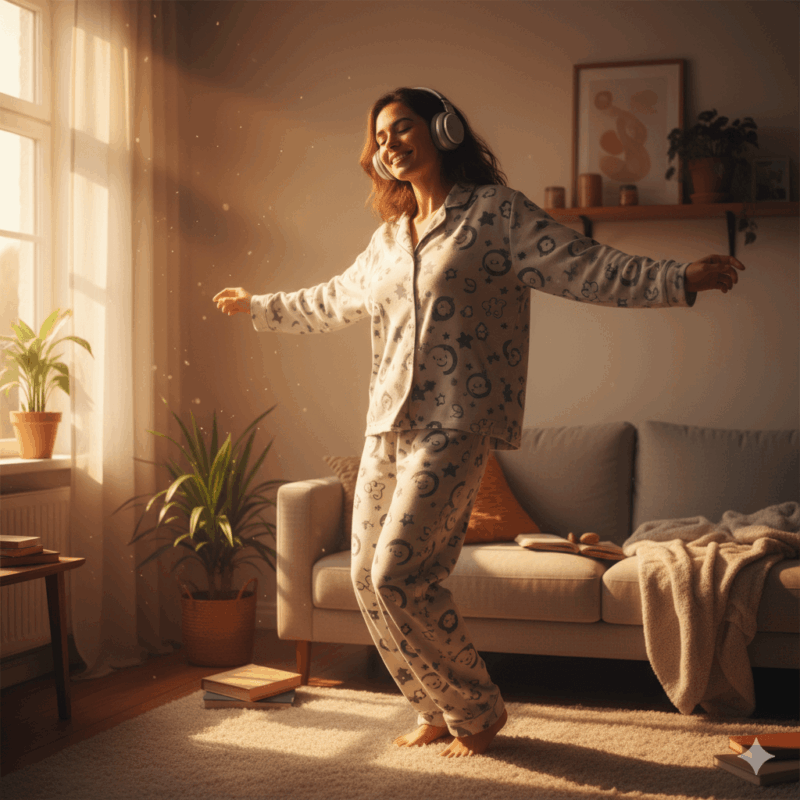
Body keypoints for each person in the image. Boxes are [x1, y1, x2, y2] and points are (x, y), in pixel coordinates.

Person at [213, 86, 745, 758]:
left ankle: (478, 709)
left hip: (458, 418)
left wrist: (679, 278)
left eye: (402, 128)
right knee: (362, 579)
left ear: (444, 129)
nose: (390, 144)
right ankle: (434, 705)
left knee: (396, 574)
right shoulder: (386, 241)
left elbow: (586, 265)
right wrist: (259, 305)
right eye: (379, 137)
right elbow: (330, 300)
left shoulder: (493, 214)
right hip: (387, 424)